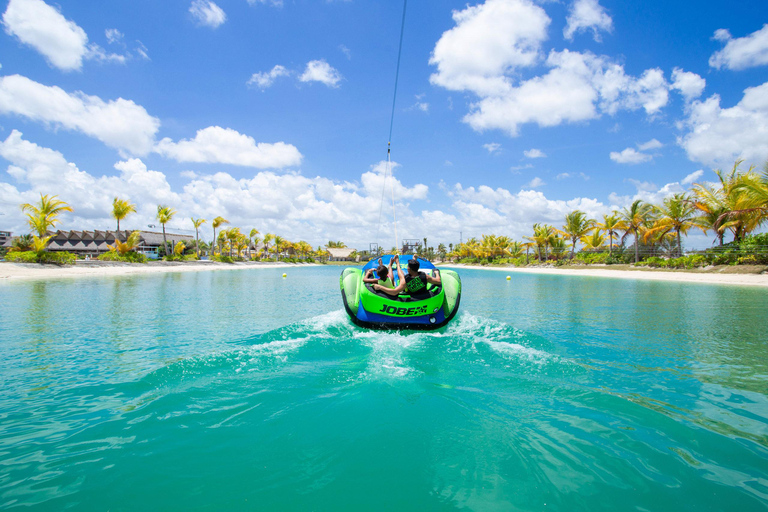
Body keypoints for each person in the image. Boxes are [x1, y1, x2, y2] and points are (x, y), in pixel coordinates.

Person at [374, 257, 440, 299]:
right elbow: (438, 281)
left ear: (409, 269)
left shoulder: (405, 281)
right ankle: (398, 263)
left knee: (401, 277)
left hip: (411, 297)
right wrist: (437, 273)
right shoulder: (425, 276)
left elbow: (394, 292)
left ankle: (397, 263)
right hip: (423, 296)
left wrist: (380, 287)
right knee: (402, 277)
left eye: (408, 267)